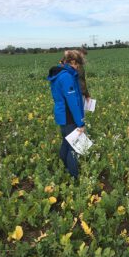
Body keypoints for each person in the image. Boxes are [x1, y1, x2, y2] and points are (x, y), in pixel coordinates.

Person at [48, 50, 85, 179]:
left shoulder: (60, 73)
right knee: (74, 147)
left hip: (62, 114)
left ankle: (64, 167)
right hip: (69, 116)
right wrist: (80, 122)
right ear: (73, 62)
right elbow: (72, 102)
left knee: (66, 142)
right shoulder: (66, 76)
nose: (78, 68)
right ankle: (74, 177)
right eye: (78, 65)